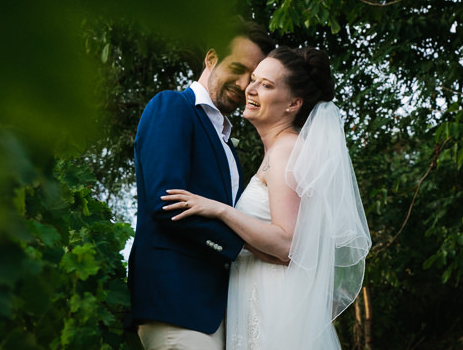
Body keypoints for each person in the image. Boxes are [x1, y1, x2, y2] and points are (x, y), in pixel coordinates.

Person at [162, 47, 371, 350]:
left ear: (293, 104)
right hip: (259, 296)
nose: (251, 89)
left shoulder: (287, 151)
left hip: (276, 304)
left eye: (267, 85)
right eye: (255, 80)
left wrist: (220, 211)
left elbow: (288, 245)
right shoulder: (279, 152)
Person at [126, 20, 276, 350]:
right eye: (237, 69)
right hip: (176, 306)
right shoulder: (172, 107)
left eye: (252, 78)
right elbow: (167, 203)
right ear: (210, 59)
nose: (242, 84)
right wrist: (246, 246)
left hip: (218, 310)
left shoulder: (226, 145)